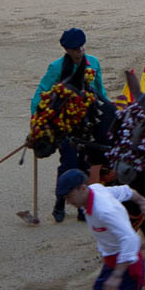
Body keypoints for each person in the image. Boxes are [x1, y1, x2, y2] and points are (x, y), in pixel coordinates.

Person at [31, 27, 109, 222]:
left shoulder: (94, 63)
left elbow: (100, 91)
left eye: (81, 47)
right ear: (67, 49)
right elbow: (40, 94)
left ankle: (81, 206)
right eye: (75, 49)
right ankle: (60, 201)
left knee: (85, 162)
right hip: (66, 125)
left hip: (88, 123)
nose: (80, 51)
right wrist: (38, 122)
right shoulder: (56, 68)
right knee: (68, 162)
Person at [56, 169, 145, 290]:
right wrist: (141, 200)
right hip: (112, 263)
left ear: (82, 188)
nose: (68, 202)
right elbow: (126, 191)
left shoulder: (105, 211)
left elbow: (131, 239)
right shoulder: (95, 190)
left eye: (69, 197)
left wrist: (117, 275)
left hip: (127, 268)